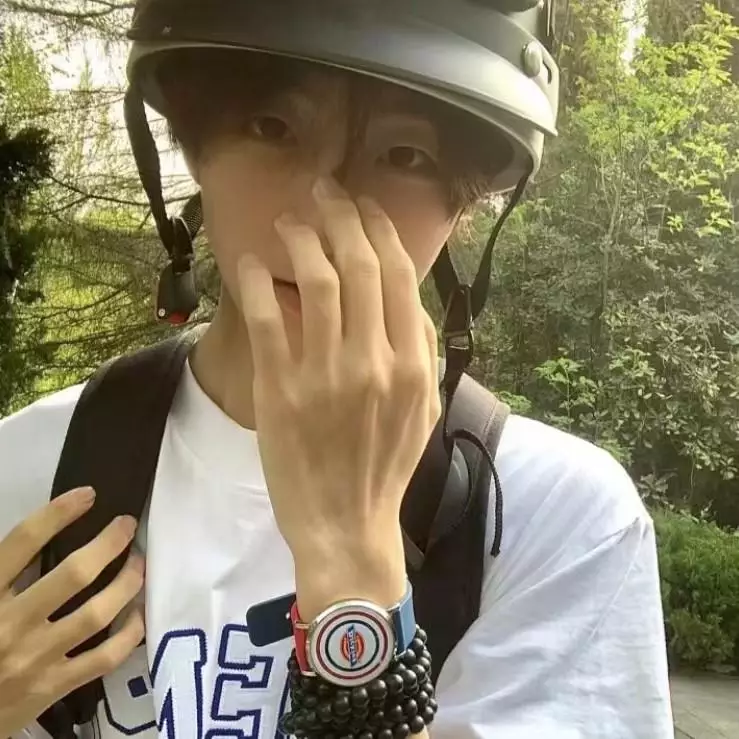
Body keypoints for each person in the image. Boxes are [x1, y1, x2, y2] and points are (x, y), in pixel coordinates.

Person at [0, 1, 674, 737]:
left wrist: (355, 563)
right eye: (273, 128)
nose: (325, 214)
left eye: (405, 156)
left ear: (462, 207)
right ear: (195, 149)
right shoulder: (33, 469)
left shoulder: (559, 521)